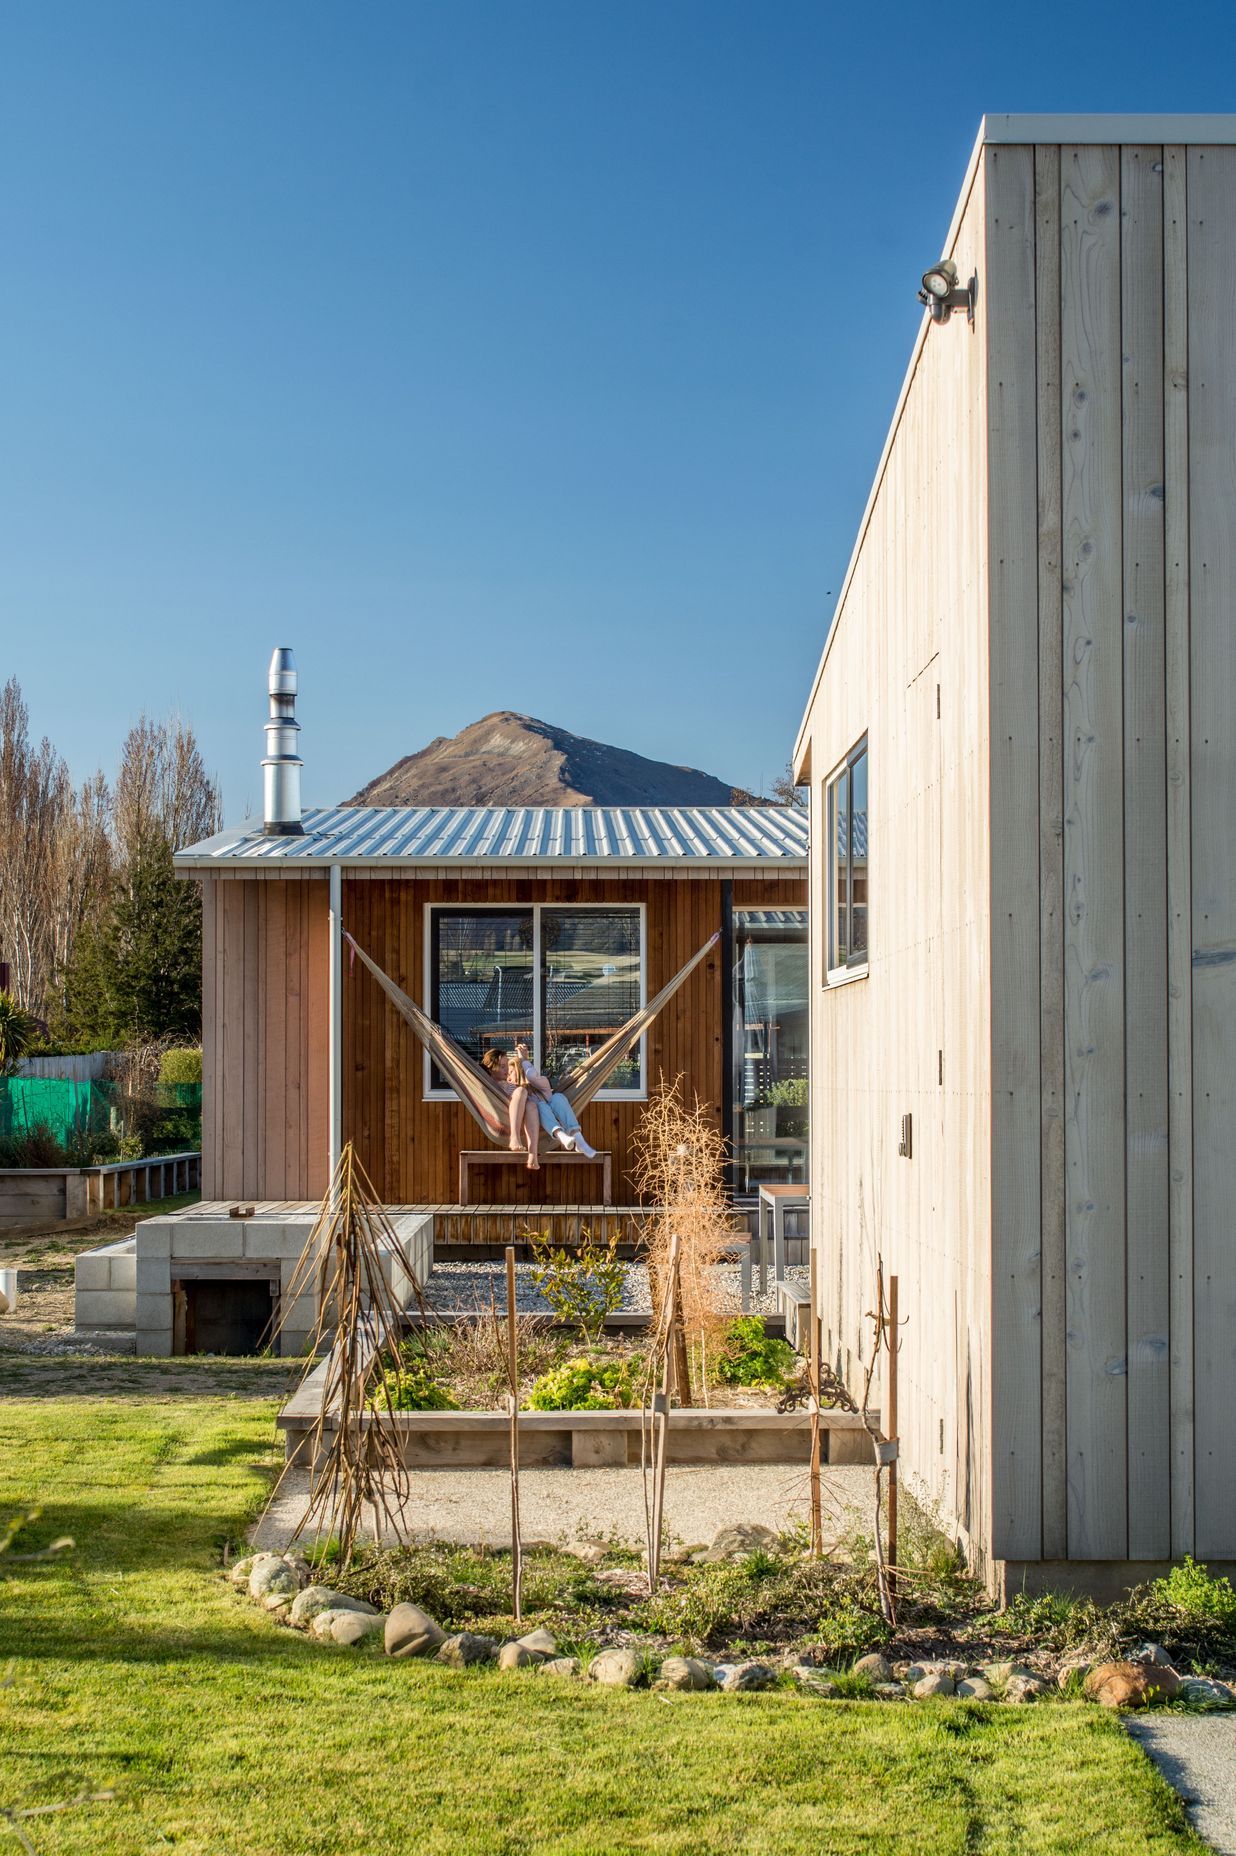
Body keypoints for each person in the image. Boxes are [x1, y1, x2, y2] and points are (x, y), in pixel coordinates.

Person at [512, 1042, 599, 1158]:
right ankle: (562, 1136)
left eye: (510, 1072)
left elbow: (532, 1077)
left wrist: (524, 1060)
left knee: (558, 1097)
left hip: (556, 1113)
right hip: (539, 1123)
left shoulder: (542, 1084)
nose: (507, 1076)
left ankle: (579, 1139)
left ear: (519, 1072)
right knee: (541, 1106)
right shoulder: (516, 1094)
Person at [480, 1047, 541, 1171]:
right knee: (521, 1091)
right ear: (491, 1068)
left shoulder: (513, 1086)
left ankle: (532, 1155)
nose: (507, 1070)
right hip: (500, 1118)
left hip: (522, 1119)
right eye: (502, 1066)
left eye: (507, 1065)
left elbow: (528, 1087)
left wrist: (524, 1059)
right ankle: (514, 1137)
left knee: (531, 1104)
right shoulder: (488, 1086)